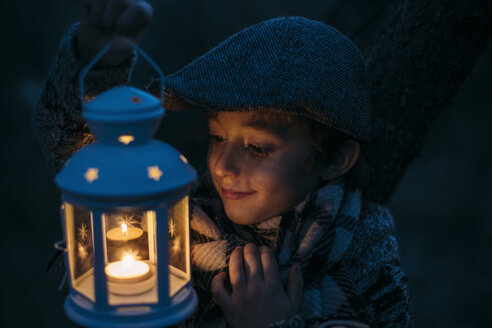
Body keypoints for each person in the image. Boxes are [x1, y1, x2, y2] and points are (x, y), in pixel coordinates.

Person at [32, 1, 411, 327]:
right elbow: (82, 165)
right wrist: (97, 60)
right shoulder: (174, 218)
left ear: (335, 160)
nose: (223, 166)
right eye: (217, 137)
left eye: (259, 148)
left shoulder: (364, 255)